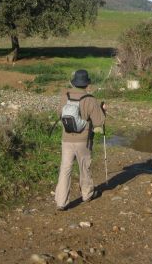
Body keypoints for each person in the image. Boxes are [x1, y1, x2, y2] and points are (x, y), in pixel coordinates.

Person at [54, 69, 106, 211]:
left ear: (74, 82)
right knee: (84, 167)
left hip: (66, 139)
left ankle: (61, 201)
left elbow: (59, 113)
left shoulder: (65, 96)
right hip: (83, 140)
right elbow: (98, 122)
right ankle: (87, 194)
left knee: (65, 168)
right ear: (86, 84)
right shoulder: (90, 99)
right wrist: (102, 110)